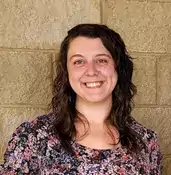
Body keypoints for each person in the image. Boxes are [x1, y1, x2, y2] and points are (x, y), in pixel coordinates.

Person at [0, 24, 162, 174]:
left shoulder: (145, 141)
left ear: (117, 68)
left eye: (101, 60)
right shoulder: (32, 137)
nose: (91, 71)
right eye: (79, 61)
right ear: (67, 71)